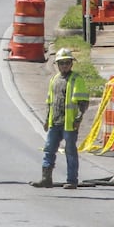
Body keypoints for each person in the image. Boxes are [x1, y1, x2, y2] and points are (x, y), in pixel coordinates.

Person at [30, 48, 90, 189]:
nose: (64, 66)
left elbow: (83, 102)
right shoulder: (54, 79)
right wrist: (47, 120)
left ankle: (72, 180)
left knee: (70, 151)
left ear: (71, 64)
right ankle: (46, 179)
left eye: (67, 63)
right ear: (57, 64)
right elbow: (50, 102)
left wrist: (78, 119)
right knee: (49, 150)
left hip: (69, 123)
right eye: (61, 63)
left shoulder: (76, 79)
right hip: (55, 122)